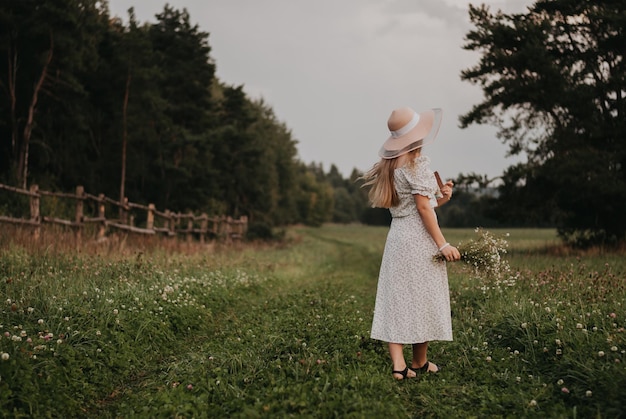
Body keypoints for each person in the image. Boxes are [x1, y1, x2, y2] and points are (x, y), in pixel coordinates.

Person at [361, 106, 460, 380]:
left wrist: (442, 198)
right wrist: (442, 244)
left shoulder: (391, 166)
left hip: (398, 238)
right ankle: (418, 361)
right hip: (419, 239)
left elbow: (422, 205)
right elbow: (424, 210)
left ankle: (400, 365)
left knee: (399, 298)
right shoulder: (417, 166)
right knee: (424, 297)